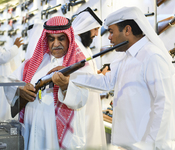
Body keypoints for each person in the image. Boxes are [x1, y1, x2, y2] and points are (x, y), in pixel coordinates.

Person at [70, 6, 175, 150]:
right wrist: (70, 78)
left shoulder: (152, 56)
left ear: (127, 30)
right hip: (128, 144)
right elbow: (106, 82)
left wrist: (150, 144)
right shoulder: (124, 57)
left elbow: (164, 105)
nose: (109, 37)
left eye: (111, 31)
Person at [5, 16, 107, 150]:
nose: (56, 44)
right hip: (32, 127)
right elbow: (8, 81)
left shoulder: (80, 65)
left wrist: (65, 86)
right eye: (51, 39)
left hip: (58, 135)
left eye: (61, 38)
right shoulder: (35, 62)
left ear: (69, 38)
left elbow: (81, 100)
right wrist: (20, 88)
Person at [72, 7, 107, 147]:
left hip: (90, 102)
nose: (97, 34)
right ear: (86, 27)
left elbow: (85, 73)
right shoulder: (75, 47)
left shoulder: (83, 46)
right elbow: (80, 78)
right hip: (83, 104)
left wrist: (97, 73)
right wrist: (102, 77)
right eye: (95, 29)